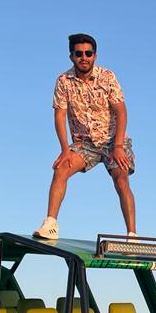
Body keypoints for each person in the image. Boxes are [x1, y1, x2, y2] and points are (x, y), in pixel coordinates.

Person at [34, 33, 137, 240]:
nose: (84, 57)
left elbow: (122, 111)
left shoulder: (107, 77)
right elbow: (59, 115)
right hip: (85, 143)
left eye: (88, 53)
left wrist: (118, 146)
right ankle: (50, 224)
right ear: (71, 56)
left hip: (112, 140)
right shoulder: (63, 81)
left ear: (95, 56)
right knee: (60, 168)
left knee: (121, 178)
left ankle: (132, 235)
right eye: (79, 53)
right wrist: (65, 149)